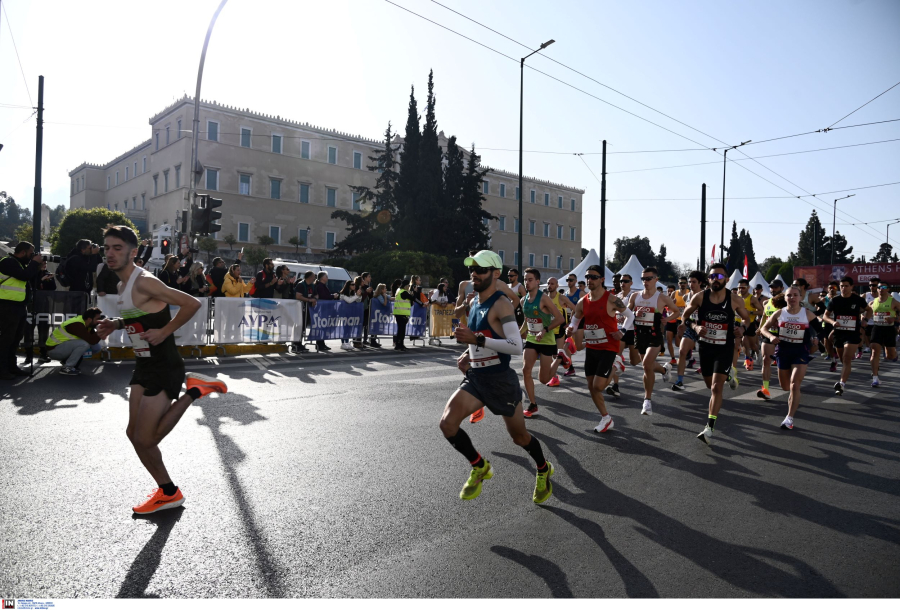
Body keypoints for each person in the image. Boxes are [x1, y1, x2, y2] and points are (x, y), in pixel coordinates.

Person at [95, 225, 227, 515]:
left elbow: (191, 303)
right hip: (144, 364)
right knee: (133, 434)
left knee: (146, 439)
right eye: (107, 248)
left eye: (118, 248)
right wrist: (116, 324)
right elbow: (140, 315)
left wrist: (166, 331)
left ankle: (194, 391)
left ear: (133, 252)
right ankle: (168, 492)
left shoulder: (145, 281)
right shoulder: (121, 286)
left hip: (164, 365)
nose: (110, 253)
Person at [439, 250, 553, 504]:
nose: (475, 274)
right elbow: (480, 337)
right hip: (477, 378)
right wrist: (469, 354)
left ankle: (543, 468)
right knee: (447, 424)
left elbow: (515, 346)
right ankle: (480, 466)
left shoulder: (501, 303)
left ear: (495, 273)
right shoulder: (473, 302)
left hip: (501, 380)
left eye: (481, 269)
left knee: (519, 438)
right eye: (472, 269)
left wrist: (477, 339)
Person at [680, 263, 752, 445]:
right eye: (712, 277)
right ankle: (730, 376)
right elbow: (684, 317)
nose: (715, 280)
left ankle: (709, 427)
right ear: (708, 279)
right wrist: (695, 327)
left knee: (715, 388)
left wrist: (742, 328)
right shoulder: (699, 297)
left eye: (719, 277)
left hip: (725, 347)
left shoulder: (734, 299)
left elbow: (747, 318)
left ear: (726, 280)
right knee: (708, 383)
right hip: (705, 347)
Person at [565, 265, 625, 433]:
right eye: (587, 277)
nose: (589, 280)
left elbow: (630, 315)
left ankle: (616, 364)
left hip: (608, 347)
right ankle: (606, 418)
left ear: (602, 280)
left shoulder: (611, 299)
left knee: (598, 386)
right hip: (592, 346)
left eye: (593, 277)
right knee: (591, 386)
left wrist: (623, 331)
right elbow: (575, 321)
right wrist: (570, 329)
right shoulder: (582, 302)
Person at [760, 286, 817, 430]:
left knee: (794, 384)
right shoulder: (780, 313)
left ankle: (789, 418)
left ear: (800, 298)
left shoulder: (807, 314)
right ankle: (792, 401)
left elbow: (821, 329)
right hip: (783, 352)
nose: (792, 298)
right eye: (789, 295)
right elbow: (763, 329)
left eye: (795, 295)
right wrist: (772, 336)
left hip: (800, 352)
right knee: (785, 386)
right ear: (785, 298)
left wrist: (816, 338)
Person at [626, 266, 677, 415]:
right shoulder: (635, 296)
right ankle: (664, 369)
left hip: (654, 335)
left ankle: (647, 401)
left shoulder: (662, 298)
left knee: (647, 364)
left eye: (648, 279)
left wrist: (666, 319)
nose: (645, 282)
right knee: (647, 366)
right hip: (639, 334)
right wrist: (634, 312)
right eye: (643, 279)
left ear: (656, 279)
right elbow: (627, 313)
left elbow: (676, 311)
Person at [519, 267, 565, 418]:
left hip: (546, 340)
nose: (527, 282)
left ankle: (559, 358)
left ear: (538, 282)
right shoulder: (523, 300)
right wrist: (518, 334)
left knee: (544, 379)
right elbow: (527, 321)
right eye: (525, 279)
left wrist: (544, 330)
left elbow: (560, 319)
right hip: (532, 339)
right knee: (526, 370)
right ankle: (533, 405)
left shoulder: (544, 298)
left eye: (530, 280)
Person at [823, 276, 872, 396]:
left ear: (851, 287)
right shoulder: (835, 300)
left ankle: (841, 384)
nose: (843, 288)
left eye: (846, 286)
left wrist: (865, 319)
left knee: (846, 358)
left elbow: (869, 310)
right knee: (843, 359)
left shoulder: (857, 299)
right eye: (841, 286)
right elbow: (825, 316)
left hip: (853, 332)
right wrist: (833, 322)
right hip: (839, 333)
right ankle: (844, 376)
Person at [0, 242, 42, 379]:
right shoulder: (8, 262)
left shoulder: (20, 264)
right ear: (23, 252)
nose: (32, 256)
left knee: (16, 339)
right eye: (31, 253)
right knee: (7, 339)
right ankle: (2, 369)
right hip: (7, 305)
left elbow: (30, 278)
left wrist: (37, 267)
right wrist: (34, 264)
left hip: (19, 306)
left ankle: (12, 367)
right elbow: (24, 276)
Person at [672, 271, 707, 391]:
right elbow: (685, 314)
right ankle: (680, 380)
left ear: (700, 283)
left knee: (707, 355)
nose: (691, 284)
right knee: (682, 351)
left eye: (694, 282)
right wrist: (682, 324)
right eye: (689, 282)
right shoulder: (686, 296)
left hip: (705, 329)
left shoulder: (706, 295)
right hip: (691, 327)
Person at [45, 306, 104, 375]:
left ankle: (66, 361)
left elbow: (94, 341)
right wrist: (102, 328)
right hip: (53, 351)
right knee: (84, 344)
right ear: (89, 319)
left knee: (96, 347)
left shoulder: (87, 323)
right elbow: (92, 340)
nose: (99, 321)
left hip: (61, 347)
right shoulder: (76, 325)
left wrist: (100, 328)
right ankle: (67, 367)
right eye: (97, 319)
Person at [543, 277, 577, 387]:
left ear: (557, 285)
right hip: (549, 330)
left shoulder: (561, 298)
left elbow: (575, 309)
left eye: (552, 283)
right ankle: (569, 346)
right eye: (548, 283)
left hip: (560, 330)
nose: (550, 285)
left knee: (557, 354)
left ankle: (555, 378)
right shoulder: (544, 299)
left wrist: (570, 323)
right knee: (554, 355)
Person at [756, 280, 785, 400]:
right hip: (770, 335)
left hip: (785, 336)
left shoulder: (786, 302)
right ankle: (765, 389)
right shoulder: (766, 302)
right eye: (772, 288)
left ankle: (791, 382)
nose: (773, 290)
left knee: (785, 364)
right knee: (766, 360)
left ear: (781, 288)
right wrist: (760, 328)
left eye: (776, 288)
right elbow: (764, 316)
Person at [25, 258, 57, 365]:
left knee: (43, 329)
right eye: (42, 263)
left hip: (44, 305)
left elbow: (53, 288)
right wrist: (41, 280)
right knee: (29, 330)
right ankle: (28, 355)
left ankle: (43, 354)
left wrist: (49, 279)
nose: (44, 265)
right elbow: (31, 286)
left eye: (46, 263)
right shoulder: (33, 273)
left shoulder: (47, 273)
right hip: (32, 305)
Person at [868, 282, 899, 387]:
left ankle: (894, 354)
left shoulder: (893, 301)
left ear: (888, 289)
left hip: (889, 329)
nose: (881, 289)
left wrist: (894, 319)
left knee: (890, 356)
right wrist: (863, 319)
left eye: (884, 287)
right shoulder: (873, 302)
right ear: (877, 289)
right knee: (874, 350)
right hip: (877, 328)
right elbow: (866, 313)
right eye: (879, 287)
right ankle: (875, 378)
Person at [735, 279, 764, 372]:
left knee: (752, 345)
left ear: (748, 288)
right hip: (738, 323)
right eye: (739, 288)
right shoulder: (736, 297)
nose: (740, 290)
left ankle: (758, 353)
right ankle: (748, 360)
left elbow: (762, 311)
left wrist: (750, 312)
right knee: (742, 342)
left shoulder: (752, 298)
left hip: (749, 323)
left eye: (743, 288)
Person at [665, 277, 690, 366]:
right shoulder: (674, 293)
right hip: (672, 319)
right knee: (668, 340)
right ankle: (673, 359)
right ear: (678, 284)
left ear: (687, 284)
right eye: (680, 283)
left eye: (684, 283)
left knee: (678, 343)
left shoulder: (689, 293)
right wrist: (672, 302)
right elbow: (668, 305)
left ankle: (688, 356)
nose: (682, 284)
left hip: (682, 320)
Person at [617, 274, 640, 366]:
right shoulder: (617, 296)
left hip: (631, 329)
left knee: (634, 362)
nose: (623, 283)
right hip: (619, 329)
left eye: (626, 281)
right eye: (621, 281)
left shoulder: (634, 295)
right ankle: (615, 380)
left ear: (631, 283)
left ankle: (648, 361)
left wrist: (628, 315)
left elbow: (634, 309)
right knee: (616, 356)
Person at [292, 271, 318, 352]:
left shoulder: (312, 285)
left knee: (303, 327)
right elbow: (298, 296)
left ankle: (300, 344)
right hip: (300, 309)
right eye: (314, 276)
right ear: (309, 277)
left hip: (307, 309)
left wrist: (315, 299)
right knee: (298, 326)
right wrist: (309, 300)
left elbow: (316, 294)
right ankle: (295, 344)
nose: (315, 278)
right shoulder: (301, 284)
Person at [339, 280, 362, 350]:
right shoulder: (342, 294)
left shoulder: (352, 293)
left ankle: (347, 342)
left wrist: (359, 295)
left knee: (349, 328)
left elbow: (358, 300)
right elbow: (349, 300)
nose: (354, 286)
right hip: (344, 313)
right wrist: (356, 296)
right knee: (345, 328)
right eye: (352, 285)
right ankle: (343, 343)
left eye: (354, 285)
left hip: (350, 313)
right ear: (348, 285)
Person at [392, 278, 414, 351]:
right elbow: (412, 298)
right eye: (408, 286)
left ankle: (400, 344)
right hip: (401, 314)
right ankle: (399, 345)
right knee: (401, 331)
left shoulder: (399, 290)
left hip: (399, 313)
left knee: (401, 330)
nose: (409, 287)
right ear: (405, 286)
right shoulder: (404, 292)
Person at [359, 272, 377, 347]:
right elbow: (361, 297)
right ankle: (360, 340)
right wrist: (367, 291)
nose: (370, 278)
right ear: (365, 278)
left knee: (367, 324)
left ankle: (366, 339)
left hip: (369, 307)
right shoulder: (362, 287)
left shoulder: (369, 286)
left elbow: (371, 297)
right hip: (363, 307)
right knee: (363, 324)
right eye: (369, 276)